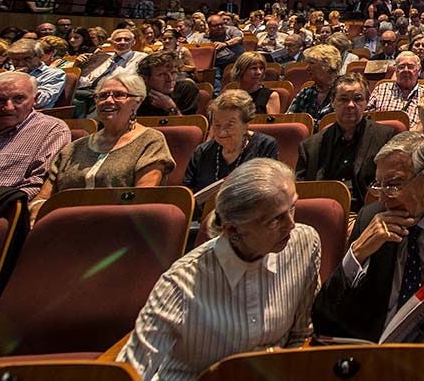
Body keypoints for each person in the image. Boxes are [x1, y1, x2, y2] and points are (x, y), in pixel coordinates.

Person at [118, 159, 320, 381]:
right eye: (275, 220)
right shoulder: (181, 283)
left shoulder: (304, 243)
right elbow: (132, 369)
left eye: (292, 208)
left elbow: (301, 334)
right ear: (233, 229)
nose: (291, 224)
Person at [314, 131, 424, 341]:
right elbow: (323, 317)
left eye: (394, 185)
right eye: (379, 185)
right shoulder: (370, 219)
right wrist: (357, 253)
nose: (384, 198)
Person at [29, 70, 174, 223]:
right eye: (102, 96)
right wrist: (36, 214)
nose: (108, 101)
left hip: (117, 229)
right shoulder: (74, 148)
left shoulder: (150, 141)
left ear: (137, 101)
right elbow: (43, 198)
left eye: (119, 95)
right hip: (60, 227)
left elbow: (140, 200)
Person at [297, 74, 398, 211]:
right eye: (343, 99)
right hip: (323, 214)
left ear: (367, 101)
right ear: (332, 102)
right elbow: (301, 193)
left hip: (369, 214)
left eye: (357, 99)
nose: (351, 105)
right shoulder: (310, 147)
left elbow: (393, 187)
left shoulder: (386, 137)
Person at [183, 90, 279, 197]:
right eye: (217, 125)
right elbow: (187, 194)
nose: (221, 132)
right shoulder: (202, 151)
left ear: (246, 124)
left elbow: (267, 190)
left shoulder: (264, 146)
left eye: (230, 125)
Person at [288, 44, 341, 124]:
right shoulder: (306, 92)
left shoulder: (343, 91)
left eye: (312, 63)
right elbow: (289, 119)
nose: (307, 68)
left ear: (327, 65)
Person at [5, 38, 66, 109]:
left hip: (36, 115)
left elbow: (40, 101)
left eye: (26, 59)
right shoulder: (9, 74)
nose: (21, 63)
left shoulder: (55, 74)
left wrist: (20, 80)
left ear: (40, 56)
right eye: (15, 60)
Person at [136, 50, 200, 117]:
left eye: (173, 73)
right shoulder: (135, 94)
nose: (170, 79)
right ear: (145, 78)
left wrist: (171, 108)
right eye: (162, 75)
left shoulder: (186, 89)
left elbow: (189, 126)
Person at [366, 51, 424, 116]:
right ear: (396, 70)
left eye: (410, 66)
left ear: (419, 70)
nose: (406, 70)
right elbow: (367, 114)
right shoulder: (381, 89)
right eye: (401, 67)